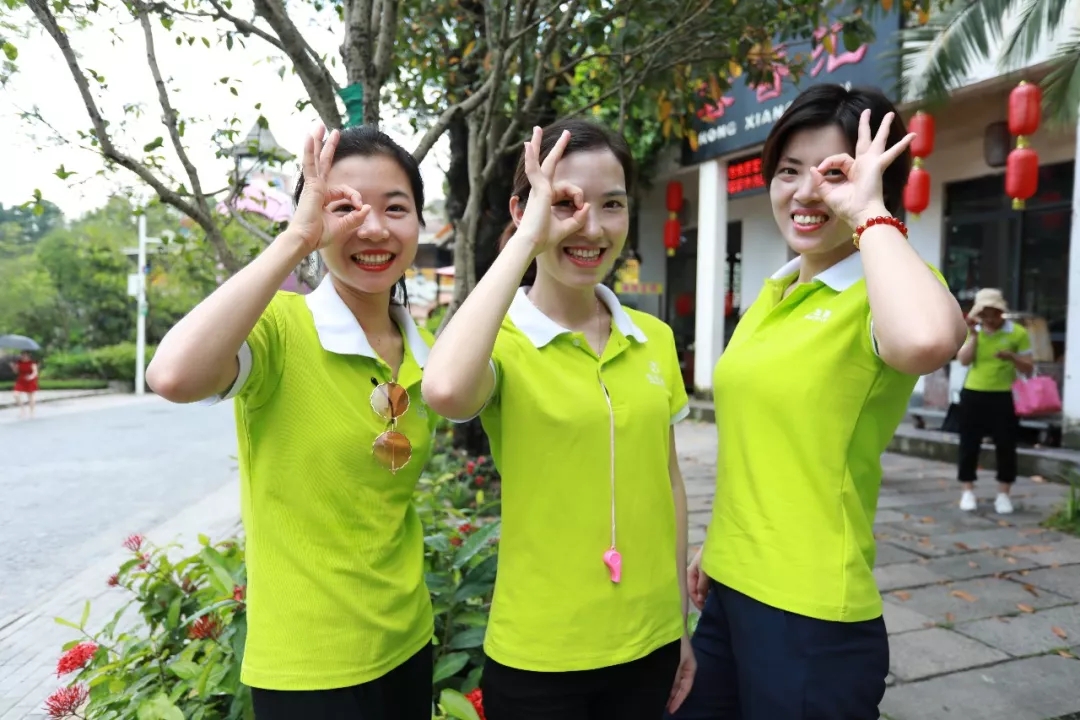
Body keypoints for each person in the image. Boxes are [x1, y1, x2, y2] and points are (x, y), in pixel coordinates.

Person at [670, 84, 968, 720]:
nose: (807, 192)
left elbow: (927, 340)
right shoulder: (773, 294)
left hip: (810, 616)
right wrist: (716, 543)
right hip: (728, 589)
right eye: (788, 171)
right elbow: (762, 444)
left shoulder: (886, 293)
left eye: (835, 173)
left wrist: (868, 214)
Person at [146, 124, 438, 720]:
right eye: (345, 208)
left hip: (409, 641)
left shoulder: (425, 350)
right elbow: (173, 376)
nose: (373, 229)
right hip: (309, 665)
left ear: (418, 222)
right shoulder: (279, 328)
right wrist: (295, 240)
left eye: (395, 208)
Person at [422, 118, 696, 720]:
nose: (590, 228)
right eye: (566, 203)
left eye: (612, 204)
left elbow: (669, 481)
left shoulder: (652, 337)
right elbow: (444, 390)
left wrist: (679, 620)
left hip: (650, 642)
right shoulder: (500, 340)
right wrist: (527, 238)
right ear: (525, 211)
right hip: (541, 654)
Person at [956, 288, 1033, 515]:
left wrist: (1012, 357)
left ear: (1001, 312)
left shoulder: (1017, 333)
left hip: (1004, 395)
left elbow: (1028, 367)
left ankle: (1003, 494)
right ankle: (967, 491)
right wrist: (974, 336)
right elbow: (963, 360)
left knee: (1006, 445)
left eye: (994, 314)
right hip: (973, 393)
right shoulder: (972, 331)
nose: (990, 319)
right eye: (985, 314)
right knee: (969, 444)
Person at [10, 350, 39, 418]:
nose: (24, 357)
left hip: (30, 380)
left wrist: (31, 377)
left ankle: (32, 412)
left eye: (26, 355)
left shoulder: (32, 363)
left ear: (29, 356)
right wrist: (13, 367)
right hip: (21, 380)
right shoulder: (19, 362)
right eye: (23, 355)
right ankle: (22, 409)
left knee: (30, 397)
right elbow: (16, 372)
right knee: (16, 395)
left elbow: (35, 372)